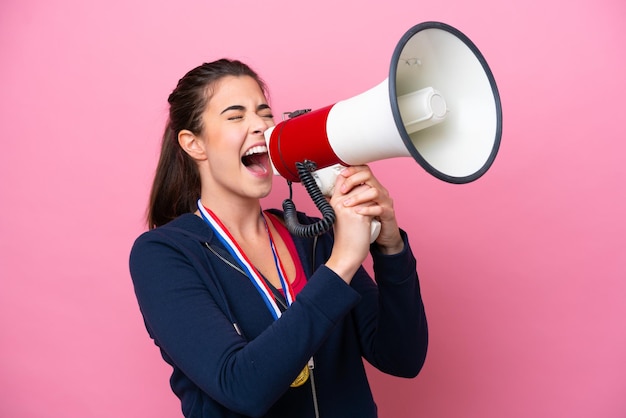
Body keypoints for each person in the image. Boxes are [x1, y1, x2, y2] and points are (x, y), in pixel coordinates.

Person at [129, 58, 428, 418]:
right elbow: (242, 388)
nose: (260, 126)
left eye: (264, 113)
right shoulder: (164, 255)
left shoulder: (312, 238)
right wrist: (342, 263)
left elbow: (402, 357)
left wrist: (391, 247)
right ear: (194, 144)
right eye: (236, 116)